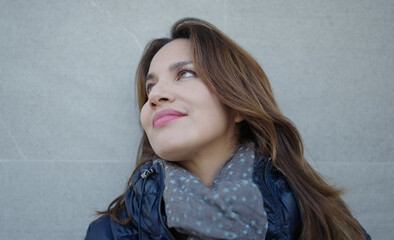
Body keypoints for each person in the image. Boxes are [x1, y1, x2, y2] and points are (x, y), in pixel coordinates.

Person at [85, 17, 371, 240]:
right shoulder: (109, 233)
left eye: (185, 73)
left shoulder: (321, 218)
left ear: (235, 104)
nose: (156, 95)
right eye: (151, 87)